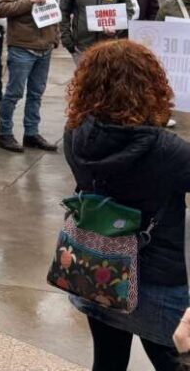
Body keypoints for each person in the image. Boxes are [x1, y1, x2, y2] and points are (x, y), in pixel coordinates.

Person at [63, 40, 188, 369]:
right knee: (172, 362)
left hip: (97, 269)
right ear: (151, 85)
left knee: (107, 360)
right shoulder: (170, 150)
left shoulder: (73, 133)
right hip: (156, 278)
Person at [0, 0, 60, 153]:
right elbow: (1, 9)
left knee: (36, 94)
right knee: (13, 93)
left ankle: (31, 133)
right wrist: (29, 1)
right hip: (22, 47)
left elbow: (53, 13)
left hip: (45, 48)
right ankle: (5, 134)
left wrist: (55, 37)